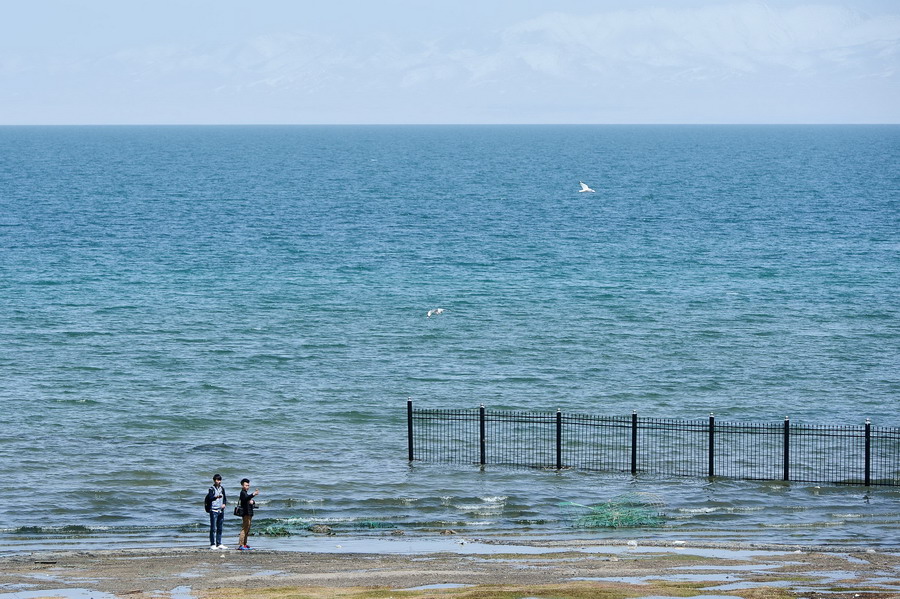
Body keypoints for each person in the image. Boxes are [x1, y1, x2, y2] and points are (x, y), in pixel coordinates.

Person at [205, 474, 228, 549]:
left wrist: (224, 504)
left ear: (220, 481)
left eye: (218, 480)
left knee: (220, 527)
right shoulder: (211, 489)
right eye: (215, 480)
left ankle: (219, 543)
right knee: (213, 528)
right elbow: (210, 498)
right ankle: (212, 544)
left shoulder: (222, 488)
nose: (216, 481)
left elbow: (224, 498)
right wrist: (216, 497)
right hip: (213, 510)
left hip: (220, 510)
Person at [237, 478, 259, 550]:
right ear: (242, 486)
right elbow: (246, 498)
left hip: (249, 513)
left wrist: (253, 501)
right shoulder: (242, 493)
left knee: (248, 528)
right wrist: (253, 494)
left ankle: (245, 544)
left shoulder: (245, 493)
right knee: (245, 528)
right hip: (245, 513)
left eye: (248, 485)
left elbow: (248, 500)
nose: (247, 487)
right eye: (246, 485)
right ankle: (241, 544)